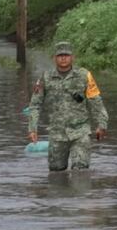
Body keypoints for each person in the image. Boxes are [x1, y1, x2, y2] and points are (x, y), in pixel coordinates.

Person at [26, 41, 108, 171]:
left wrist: (102, 124)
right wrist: (32, 129)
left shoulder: (84, 75)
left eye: (66, 55)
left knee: (80, 171)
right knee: (56, 172)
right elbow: (35, 104)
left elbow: (96, 101)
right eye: (60, 55)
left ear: (72, 57)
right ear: (54, 58)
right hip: (57, 133)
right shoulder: (45, 78)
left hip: (80, 131)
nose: (63, 58)